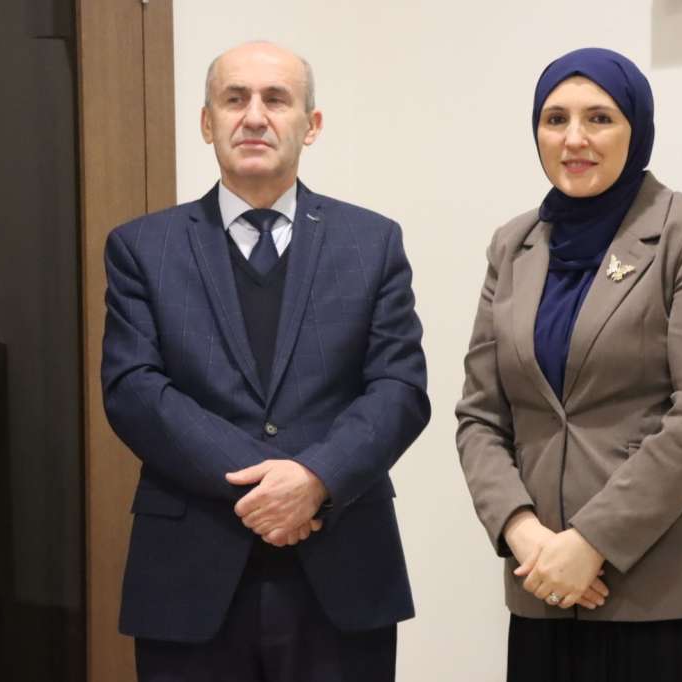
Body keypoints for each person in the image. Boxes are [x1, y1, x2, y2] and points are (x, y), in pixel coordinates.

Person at [101, 41, 429, 682]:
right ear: (207, 123)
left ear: (312, 124)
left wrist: (314, 480)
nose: (254, 116)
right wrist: (268, 488)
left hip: (341, 569)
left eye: (276, 99)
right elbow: (134, 390)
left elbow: (399, 388)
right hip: (188, 574)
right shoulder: (142, 248)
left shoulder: (372, 242)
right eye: (234, 99)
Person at [455, 47, 682, 681]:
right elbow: (480, 416)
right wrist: (521, 531)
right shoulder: (512, 246)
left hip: (674, 597)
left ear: (637, 127)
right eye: (555, 119)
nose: (574, 138)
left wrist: (592, 541)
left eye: (599, 118)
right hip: (546, 589)